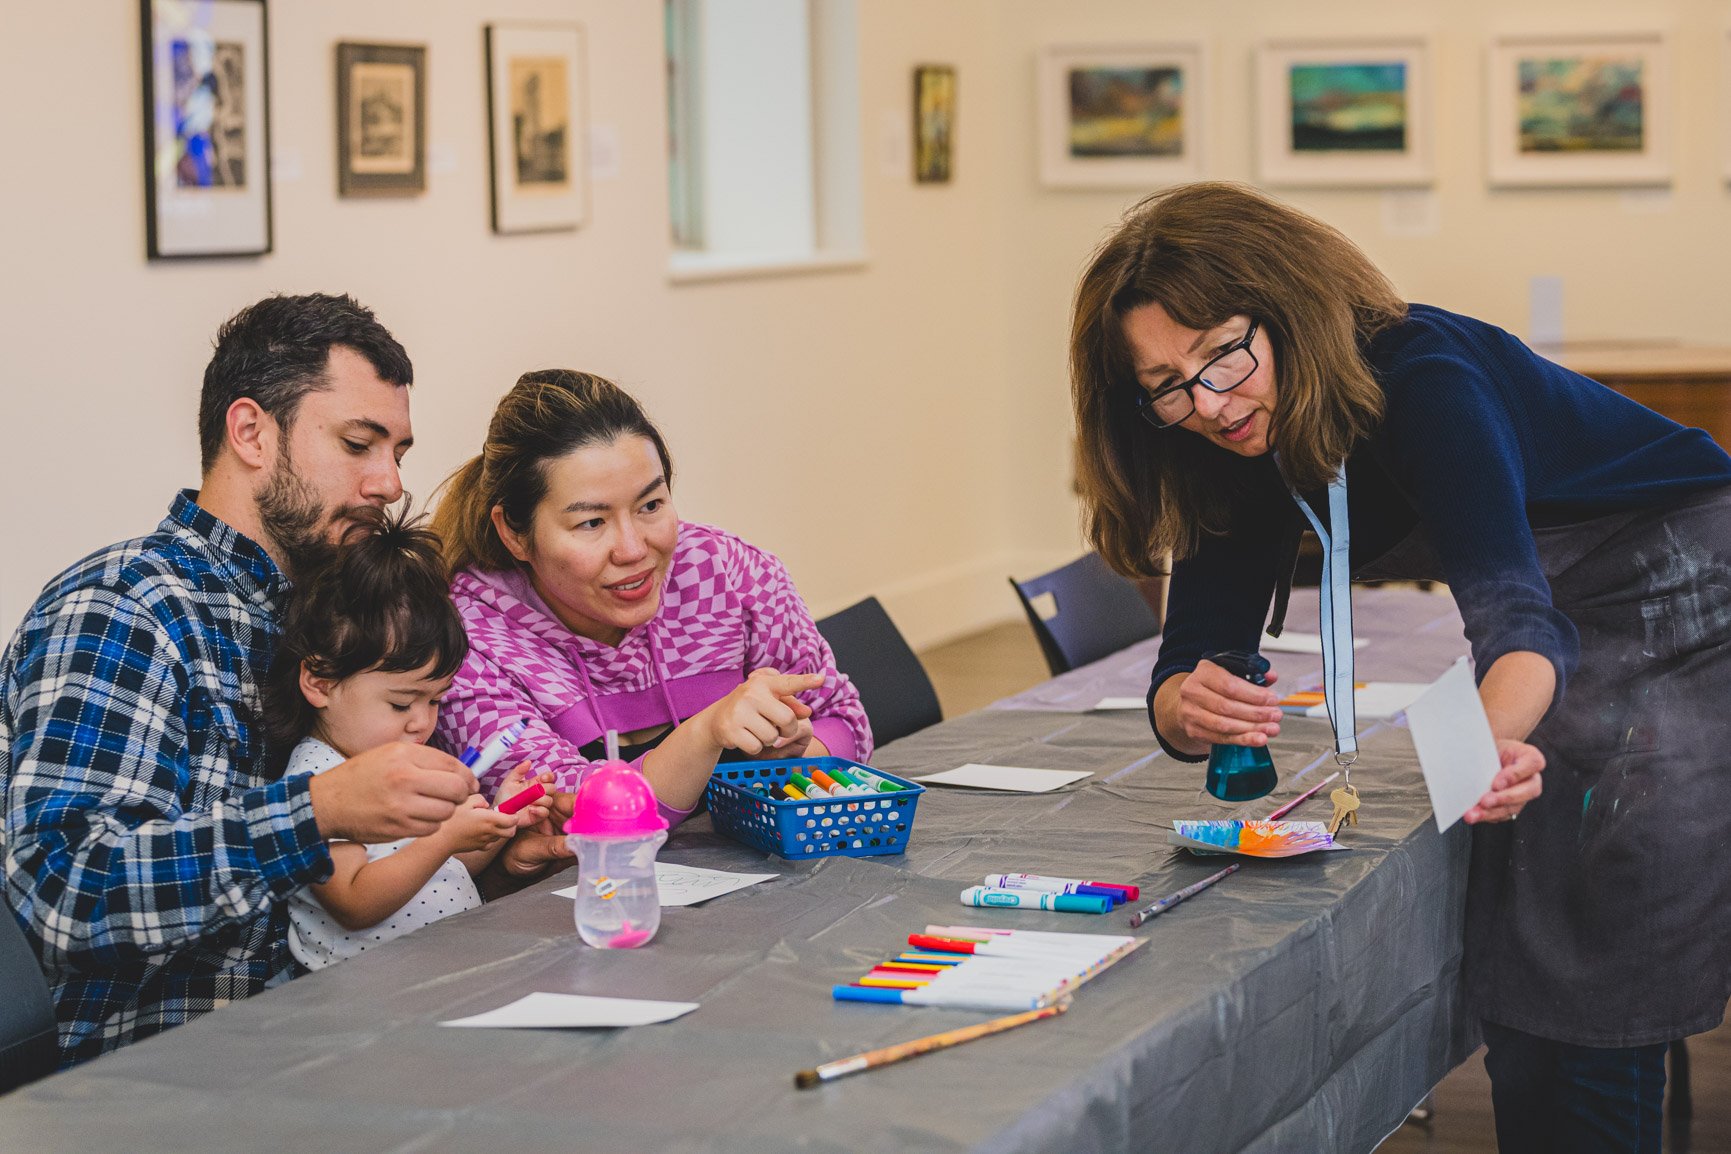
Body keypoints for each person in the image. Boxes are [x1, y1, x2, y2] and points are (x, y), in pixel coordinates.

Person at [1069, 182, 1731, 1152]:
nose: (1207, 401)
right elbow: (1191, 654)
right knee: (1519, 940)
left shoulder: (1423, 375)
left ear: (1287, 308)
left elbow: (1518, 622)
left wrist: (1494, 739)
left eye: (1222, 353)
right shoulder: (1220, 429)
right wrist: (1186, 701)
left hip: (1684, 578)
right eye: (1165, 383)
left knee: (1596, 934)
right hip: (1558, 606)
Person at [0, 294, 481, 1066]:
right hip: (166, 1070)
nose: (390, 482)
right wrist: (313, 812)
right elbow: (66, 894)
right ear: (251, 431)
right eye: (359, 444)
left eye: (397, 452)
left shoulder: (344, 612)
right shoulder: (128, 608)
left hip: (343, 1037)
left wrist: (481, 850)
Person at [429, 369, 871, 847]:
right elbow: (576, 813)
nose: (633, 549)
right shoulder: (466, 642)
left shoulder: (729, 573)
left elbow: (845, 720)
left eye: (651, 505)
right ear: (514, 533)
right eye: (592, 522)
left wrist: (799, 753)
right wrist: (707, 734)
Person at [263, 506, 552, 971]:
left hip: (435, 977)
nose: (422, 722)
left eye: (435, 701)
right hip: (363, 998)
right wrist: (444, 840)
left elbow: (437, 875)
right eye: (401, 704)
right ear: (319, 682)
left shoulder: (402, 764)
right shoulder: (316, 783)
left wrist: (497, 821)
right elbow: (355, 903)